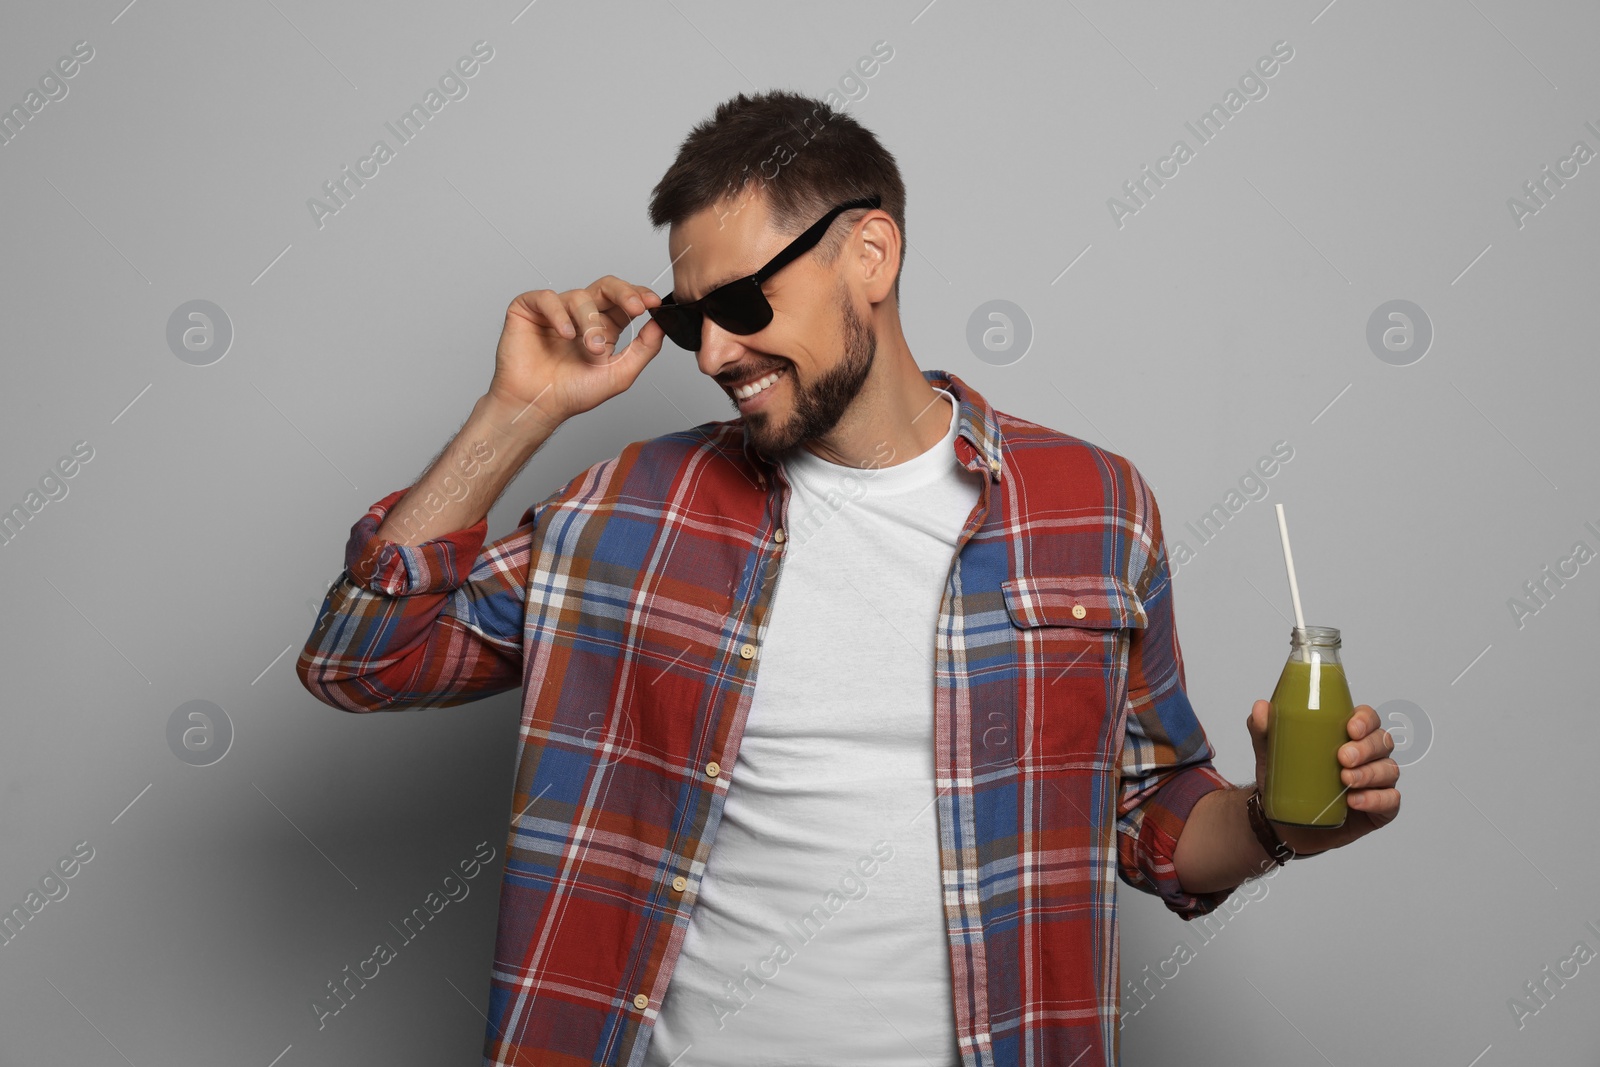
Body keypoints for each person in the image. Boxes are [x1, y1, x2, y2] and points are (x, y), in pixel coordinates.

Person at [297, 88, 1400, 1067]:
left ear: (869, 255)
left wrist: (1271, 822)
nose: (713, 353)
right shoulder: (631, 508)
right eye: (688, 321)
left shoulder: (1091, 507)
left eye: (740, 307)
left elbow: (1148, 813)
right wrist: (519, 412)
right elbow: (362, 658)